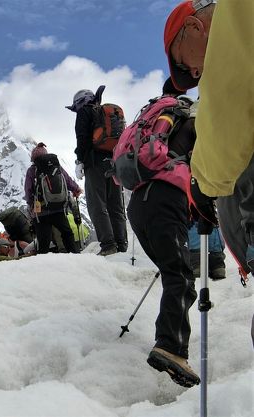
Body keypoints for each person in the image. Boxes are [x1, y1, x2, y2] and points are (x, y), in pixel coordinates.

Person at [164, 1, 254, 345]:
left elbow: (229, 108)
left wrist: (202, 181)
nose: (195, 73)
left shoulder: (237, 16)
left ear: (193, 26)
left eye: (183, 62)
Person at [126, 78, 200, 387]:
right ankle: (170, 348)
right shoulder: (190, 119)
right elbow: (205, 167)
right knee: (181, 276)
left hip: (139, 204)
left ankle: (170, 345)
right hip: (166, 200)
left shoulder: (153, 117)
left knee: (174, 272)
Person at [67, 87, 128, 255]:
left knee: (97, 204)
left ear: (80, 102)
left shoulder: (84, 112)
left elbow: (82, 139)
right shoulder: (106, 113)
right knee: (115, 205)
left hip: (95, 163)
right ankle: (121, 244)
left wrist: (80, 161)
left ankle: (108, 245)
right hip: (114, 162)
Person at [24, 143, 81, 254]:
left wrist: (32, 205)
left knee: (43, 240)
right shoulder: (56, 167)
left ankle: (44, 264)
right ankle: (75, 254)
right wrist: (76, 189)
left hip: (40, 212)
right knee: (67, 233)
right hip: (58, 207)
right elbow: (68, 181)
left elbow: (28, 191)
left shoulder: (32, 171)